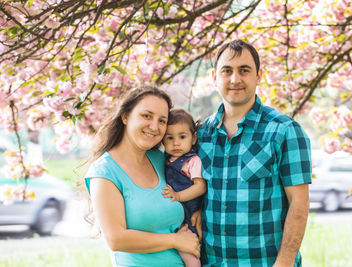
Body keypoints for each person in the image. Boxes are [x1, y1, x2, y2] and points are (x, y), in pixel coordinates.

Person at [193, 39, 312, 266]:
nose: (235, 79)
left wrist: (285, 262)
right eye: (227, 71)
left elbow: (299, 204)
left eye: (244, 70)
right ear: (214, 77)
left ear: (258, 76)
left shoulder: (285, 131)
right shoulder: (200, 135)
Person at [84, 86, 200, 267]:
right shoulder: (105, 172)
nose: (155, 126)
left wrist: (196, 211)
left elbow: (186, 191)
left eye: (162, 120)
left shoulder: (161, 160)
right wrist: (175, 240)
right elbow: (116, 239)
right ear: (125, 117)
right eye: (146, 116)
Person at [161, 108, 207, 267]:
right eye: (170, 138)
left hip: (188, 217)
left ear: (193, 138)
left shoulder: (192, 161)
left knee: (191, 257)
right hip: (173, 218)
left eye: (182, 137)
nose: (176, 143)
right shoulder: (166, 160)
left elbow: (200, 187)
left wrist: (178, 196)